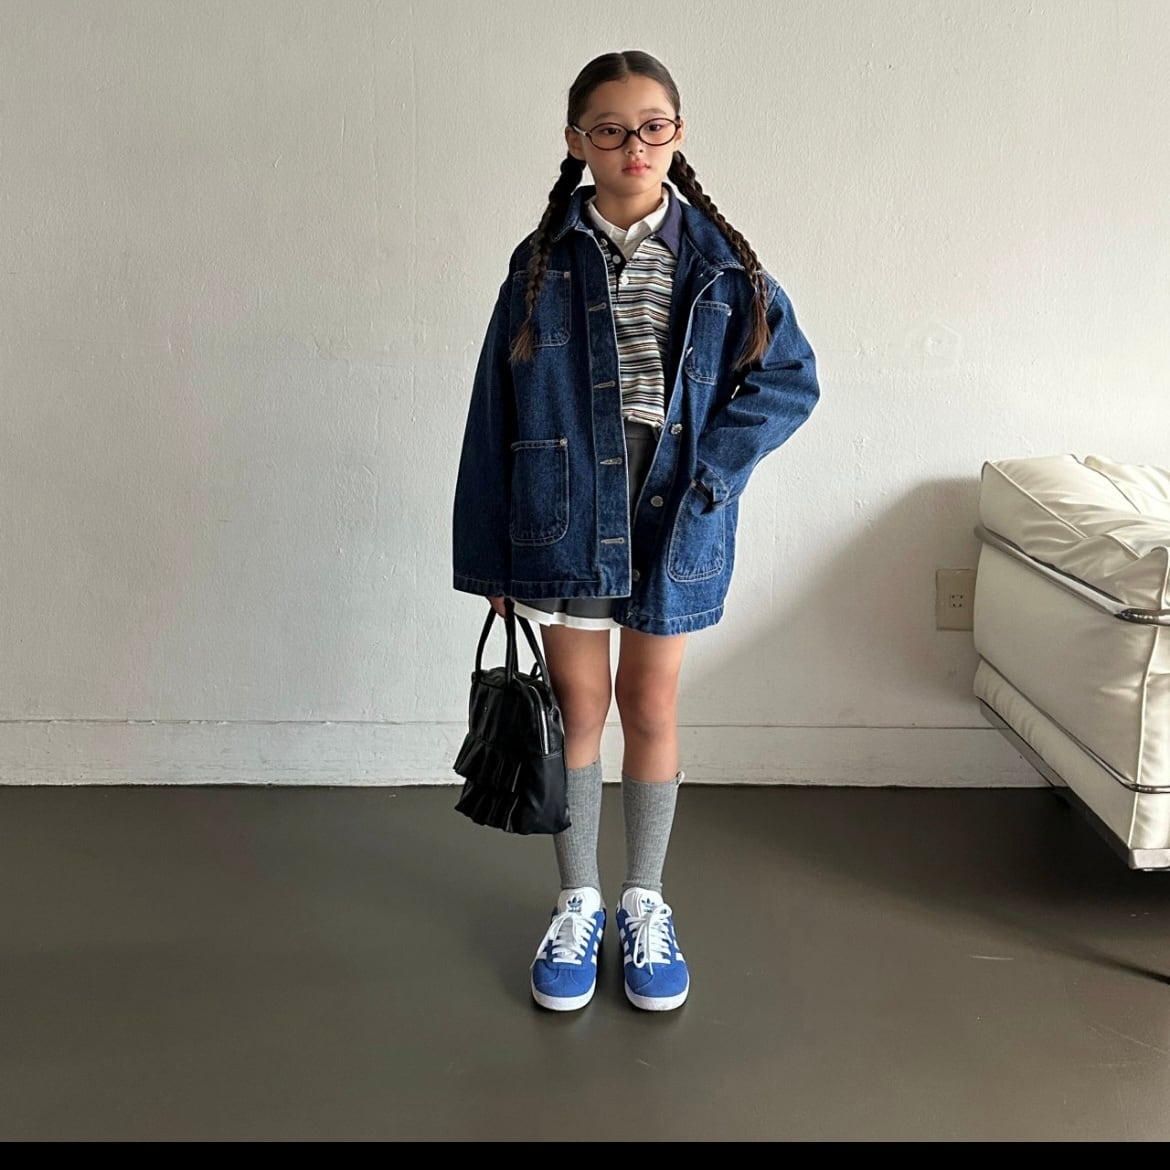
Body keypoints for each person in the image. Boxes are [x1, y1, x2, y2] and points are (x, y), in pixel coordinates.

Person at [451, 50, 819, 1012]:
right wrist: (490, 555)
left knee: (649, 705)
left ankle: (643, 901)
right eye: (610, 130)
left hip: (672, 510)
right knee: (578, 711)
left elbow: (788, 380)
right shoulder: (540, 261)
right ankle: (577, 900)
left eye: (653, 126)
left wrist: (712, 474)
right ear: (578, 142)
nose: (633, 146)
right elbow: (494, 408)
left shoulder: (723, 261)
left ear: (678, 133)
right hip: (567, 512)